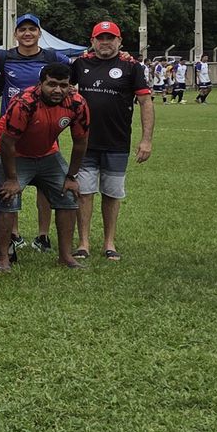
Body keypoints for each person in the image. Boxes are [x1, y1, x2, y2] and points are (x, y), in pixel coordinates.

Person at [70, 20, 154, 262]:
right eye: (100, 38)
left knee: (112, 193)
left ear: (120, 41)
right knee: (84, 193)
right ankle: (83, 243)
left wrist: (146, 140)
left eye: (110, 38)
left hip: (117, 142)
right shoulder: (81, 64)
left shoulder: (131, 67)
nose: (105, 42)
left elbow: (146, 103)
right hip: (84, 142)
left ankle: (109, 242)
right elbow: (62, 87)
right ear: (92, 41)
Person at [0, 62, 89, 271]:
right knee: (8, 199)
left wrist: (71, 177)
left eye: (63, 85)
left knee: (68, 196)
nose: (57, 90)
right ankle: (3, 259)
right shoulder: (25, 102)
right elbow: (8, 142)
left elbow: (80, 142)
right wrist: (12, 179)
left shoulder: (77, 103)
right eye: (51, 84)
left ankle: (65, 256)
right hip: (11, 151)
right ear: (41, 83)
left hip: (47, 152)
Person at [0, 14, 65, 252]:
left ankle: (42, 235)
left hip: (45, 130)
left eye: (32, 29)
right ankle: (14, 234)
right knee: (12, 185)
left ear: (39, 33)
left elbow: (79, 65)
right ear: (15, 34)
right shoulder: (3, 56)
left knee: (45, 186)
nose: (27, 33)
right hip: (12, 132)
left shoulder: (52, 57)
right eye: (23, 30)